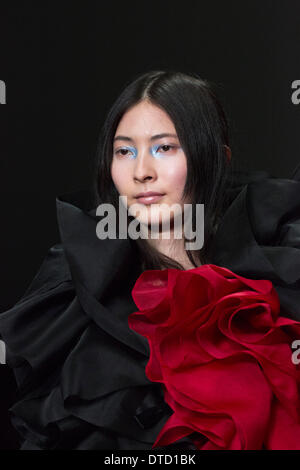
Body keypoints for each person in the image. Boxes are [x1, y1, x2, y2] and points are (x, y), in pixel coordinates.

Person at [1, 70, 300, 450]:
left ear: (218, 158)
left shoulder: (283, 270)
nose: (141, 172)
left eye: (165, 147)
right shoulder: (75, 303)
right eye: (124, 151)